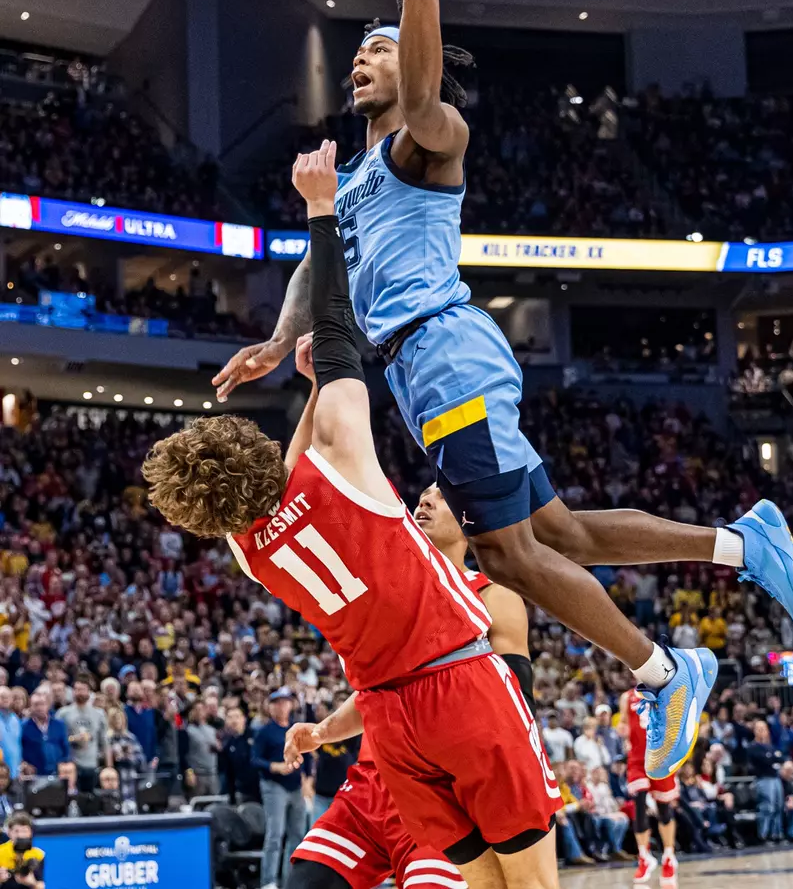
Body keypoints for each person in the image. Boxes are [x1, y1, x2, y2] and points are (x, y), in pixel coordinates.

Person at [214, 0, 793, 782]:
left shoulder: (430, 142)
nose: (360, 63)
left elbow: (423, 97)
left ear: (412, 60)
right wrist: (275, 337)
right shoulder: (354, 178)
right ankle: (744, 542)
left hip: (443, 353)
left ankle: (664, 672)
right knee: (562, 537)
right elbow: (315, 265)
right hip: (421, 371)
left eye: (377, 51)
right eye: (359, 55)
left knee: (503, 554)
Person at [143, 148, 563, 889]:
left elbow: (284, 480)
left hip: (390, 723)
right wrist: (319, 209)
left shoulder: (249, 553)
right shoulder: (341, 466)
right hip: (458, 681)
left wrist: (313, 391)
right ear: (249, 444)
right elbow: (337, 328)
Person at [289, 480, 537, 889]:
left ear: (470, 522)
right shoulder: (384, 591)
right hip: (372, 784)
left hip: (443, 788)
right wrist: (324, 731)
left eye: (441, 496)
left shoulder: (492, 595)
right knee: (304, 882)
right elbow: (378, 690)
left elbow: (517, 704)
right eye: (423, 495)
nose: (426, 500)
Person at [250, 688, 313, 889]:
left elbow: (307, 755)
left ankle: (290, 881)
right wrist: (273, 766)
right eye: (277, 703)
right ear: (270, 707)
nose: (281, 706)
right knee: (275, 834)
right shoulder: (265, 731)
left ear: (291, 705)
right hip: (274, 785)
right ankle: (268, 881)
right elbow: (254, 759)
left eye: (285, 702)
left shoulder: (296, 729)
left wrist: (307, 779)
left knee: (298, 835)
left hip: (296, 786)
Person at [620, 686, 678, 885]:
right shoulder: (627, 697)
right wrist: (623, 732)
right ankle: (644, 856)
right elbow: (623, 724)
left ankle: (669, 856)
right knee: (639, 803)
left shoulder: (665, 691)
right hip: (637, 759)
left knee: (664, 809)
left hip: (660, 757)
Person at [56, 675, 109, 792]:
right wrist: (73, 739)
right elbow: (57, 740)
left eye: (82, 689)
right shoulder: (63, 713)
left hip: (92, 764)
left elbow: (105, 742)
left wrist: (109, 767)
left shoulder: (99, 714)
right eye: (76, 689)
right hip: (71, 765)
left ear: (89, 692)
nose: (79, 692)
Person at [747, 720, 784, 843]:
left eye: (764, 728)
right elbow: (764, 761)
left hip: (775, 778)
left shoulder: (770, 747)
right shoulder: (753, 747)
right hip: (763, 779)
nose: (762, 731)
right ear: (755, 731)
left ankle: (776, 834)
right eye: (759, 729)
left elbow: (780, 758)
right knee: (767, 807)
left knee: (778, 806)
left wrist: (772, 758)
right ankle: (763, 835)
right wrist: (773, 758)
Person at [218, 704, 260, 804]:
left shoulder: (256, 736)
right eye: (230, 717)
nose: (234, 721)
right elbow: (229, 773)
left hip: (261, 789)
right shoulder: (228, 744)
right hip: (243, 791)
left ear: (244, 718)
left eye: (237, 716)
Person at [20, 692, 68, 777]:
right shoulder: (23, 726)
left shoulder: (59, 725)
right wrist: (24, 764)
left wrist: (65, 763)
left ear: (48, 705)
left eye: (42, 704)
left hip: (57, 774)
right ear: (31, 706)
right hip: (33, 775)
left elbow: (66, 747)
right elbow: (19, 748)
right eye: (36, 705)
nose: (39, 708)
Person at [0, 812, 43, 889]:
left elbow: (41, 886)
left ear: (30, 833)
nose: (20, 835)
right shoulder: (1, 852)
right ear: (9, 832)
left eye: (24, 831)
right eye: (16, 831)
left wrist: (33, 883)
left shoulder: (38, 855)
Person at [0, 690, 22, 782]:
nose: (5, 699)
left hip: (15, 772)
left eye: (7, 697)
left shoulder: (15, 719)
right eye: (2, 697)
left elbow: (19, 745)